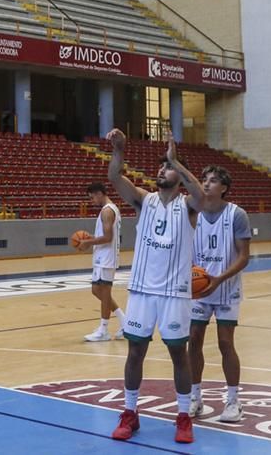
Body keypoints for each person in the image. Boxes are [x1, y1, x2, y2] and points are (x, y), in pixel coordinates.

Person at [106, 128, 205, 445]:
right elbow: (114, 177)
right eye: (162, 166)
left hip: (175, 293)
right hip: (142, 291)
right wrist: (119, 150)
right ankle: (130, 413)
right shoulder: (143, 200)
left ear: (179, 177)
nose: (162, 169)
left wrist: (178, 161)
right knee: (135, 351)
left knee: (179, 354)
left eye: (168, 166)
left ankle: (183, 417)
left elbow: (202, 197)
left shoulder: (188, 206)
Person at [188, 165, 251, 423]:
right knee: (193, 341)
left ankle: (234, 401)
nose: (206, 183)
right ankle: (195, 398)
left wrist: (219, 279)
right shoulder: (193, 212)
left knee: (226, 343)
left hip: (226, 288)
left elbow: (244, 257)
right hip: (199, 289)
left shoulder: (237, 215)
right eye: (204, 179)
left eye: (213, 181)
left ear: (224, 188)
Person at [76, 183, 126, 342]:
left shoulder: (107, 211)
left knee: (104, 293)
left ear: (99, 193)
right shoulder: (110, 209)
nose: (91, 201)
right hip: (103, 257)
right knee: (96, 290)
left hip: (106, 258)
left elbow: (107, 237)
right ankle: (125, 322)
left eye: (92, 197)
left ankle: (103, 330)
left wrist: (88, 242)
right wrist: (90, 237)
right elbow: (104, 234)